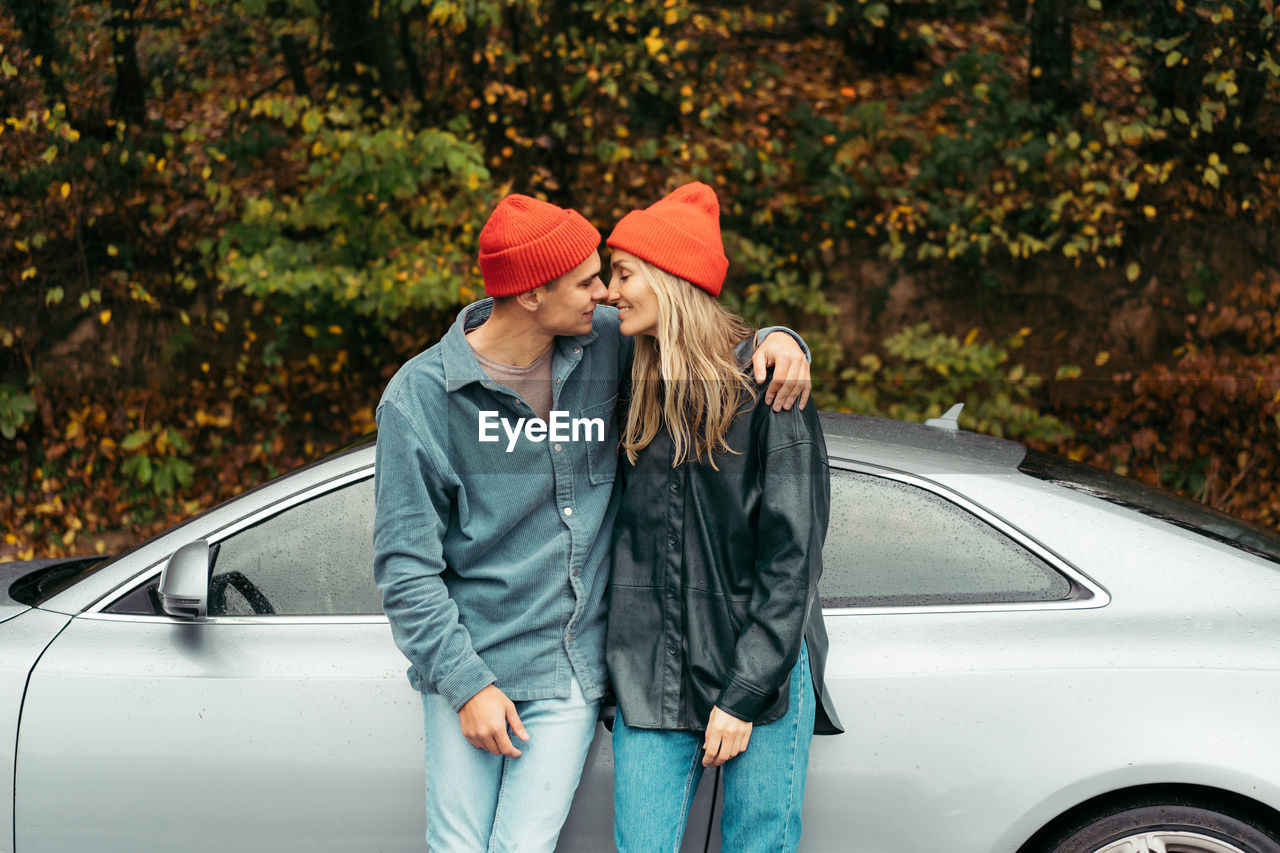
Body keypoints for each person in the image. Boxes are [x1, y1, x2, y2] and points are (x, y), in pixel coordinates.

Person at [372, 192, 812, 852]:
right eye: (587, 281)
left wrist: (783, 341)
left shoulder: (605, 348)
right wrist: (466, 685)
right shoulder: (422, 399)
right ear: (529, 294)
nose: (604, 294)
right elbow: (407, 569)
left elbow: (698, 327)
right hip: (471, 663)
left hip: (569, 672)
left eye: (609, 276)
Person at [604, 182, 844, 853]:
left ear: (671, 281)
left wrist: (742, 693)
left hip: (758, 663)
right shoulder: (626, 371)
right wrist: (784, 332)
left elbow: (792, 562)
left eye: (623, 274)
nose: (608, 291)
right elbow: (521, 313)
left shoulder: (769, 392)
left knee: (757, 844)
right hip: (651, 664)